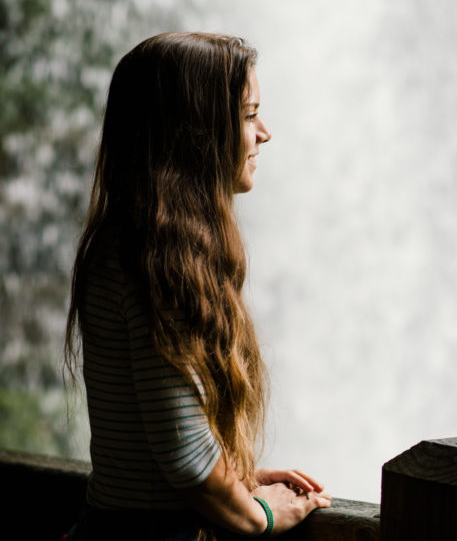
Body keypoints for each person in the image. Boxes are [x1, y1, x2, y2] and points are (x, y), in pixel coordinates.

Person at [64, 32, 331, 540]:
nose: (265, 134)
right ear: (197, 132)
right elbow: (187, 460)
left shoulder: (120, 241)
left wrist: (236, 479)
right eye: (250, 115)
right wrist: (261, 516)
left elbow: (157, 444)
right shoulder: (158, 261)